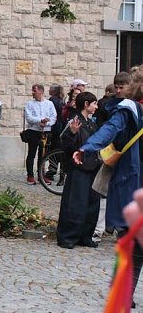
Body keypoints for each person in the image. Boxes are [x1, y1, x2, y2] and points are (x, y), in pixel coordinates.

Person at [74, 73, 143, 236]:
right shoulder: (128, 107)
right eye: (116, 87)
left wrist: (88, 147)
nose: (118, 91)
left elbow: (110, 129)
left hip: (129, 165)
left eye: (122, 87)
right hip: (128, 163)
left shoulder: (127, 108)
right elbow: (109, 129)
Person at [56, 91, 101, 249]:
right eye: (94, 103)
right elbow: (66, 146)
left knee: (92, 203)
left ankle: (85, 236)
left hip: (92, 167)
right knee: (75, 203)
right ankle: (68, 236)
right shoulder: (74, 121)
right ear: (86, 104)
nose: (96, 107)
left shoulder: (92, 123)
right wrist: (72, 133)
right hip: (79, 168)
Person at [23, 83, 56, 184]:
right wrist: (40, 121)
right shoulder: (29, 104)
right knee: (31, 154)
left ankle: (41, 175)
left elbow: (53, 117)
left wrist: (46, 123)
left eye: (35, 90)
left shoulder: (49, 104)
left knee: (43, 155)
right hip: (34, 131)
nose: (32, 93)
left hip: (45, 132)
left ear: (41, 91)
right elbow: (29, 117)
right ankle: (30, 175)